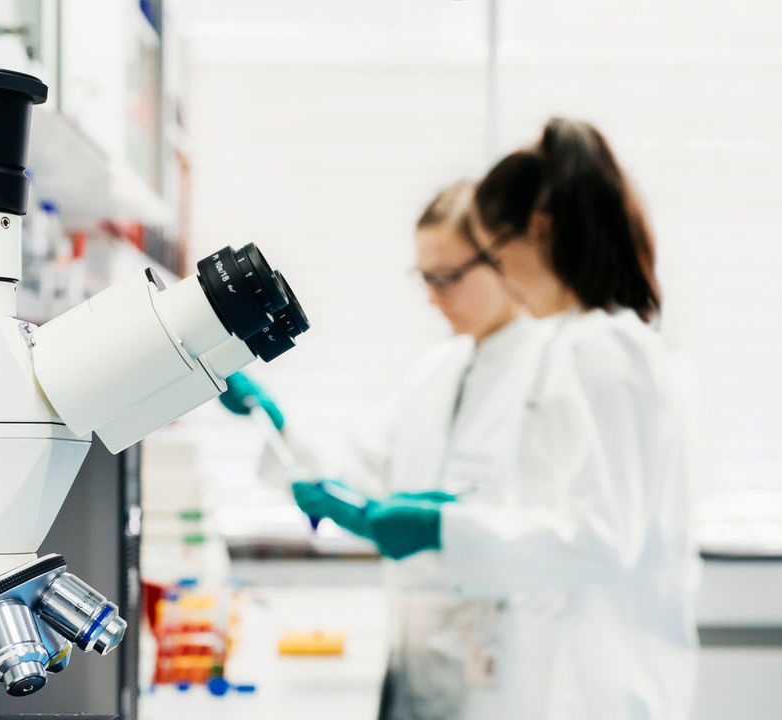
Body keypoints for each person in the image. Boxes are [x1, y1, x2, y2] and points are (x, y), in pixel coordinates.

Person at [221, 178, 555, 718]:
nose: (431, 296)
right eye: (424, 277)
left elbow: (545, 530)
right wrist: (275, 425)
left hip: (502, 674)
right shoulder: (437, 370)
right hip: (414, 656)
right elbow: (358, 478)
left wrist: (441, 524)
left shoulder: (551, 375)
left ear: (505, 260)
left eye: (447, 277)